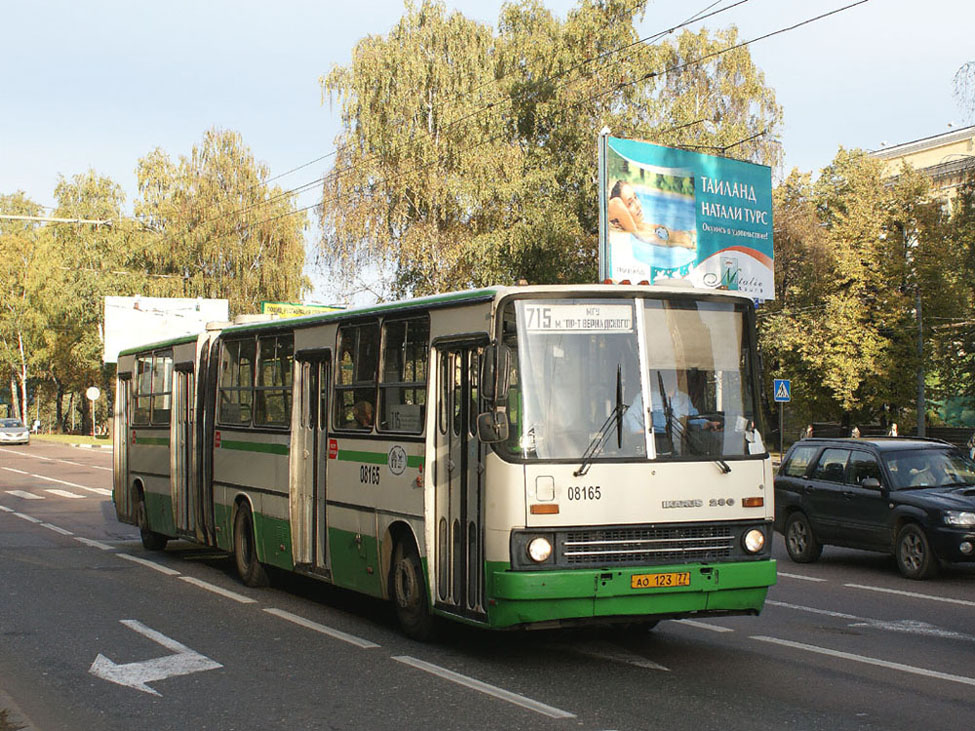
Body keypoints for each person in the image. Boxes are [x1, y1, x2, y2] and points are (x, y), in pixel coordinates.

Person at [607, 180, 695, 249]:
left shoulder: (644, 226)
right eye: (630, 203)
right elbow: (616, 203)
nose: (638, 205)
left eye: (636, 197)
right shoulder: (636, 232)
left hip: (691, 237)